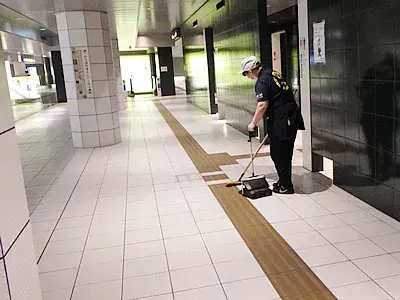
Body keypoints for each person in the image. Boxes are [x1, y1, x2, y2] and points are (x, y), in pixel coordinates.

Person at [239, 56, 305, 194]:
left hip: (283, 119)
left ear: (251, 70)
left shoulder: (262, 81)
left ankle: (286, 186)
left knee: (280, 153)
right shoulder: (273, 73)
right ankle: (283, 181)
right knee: (282, 152)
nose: (247, 76)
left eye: (246, 73)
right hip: (288, 117)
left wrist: (253, 123)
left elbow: (262, 105)